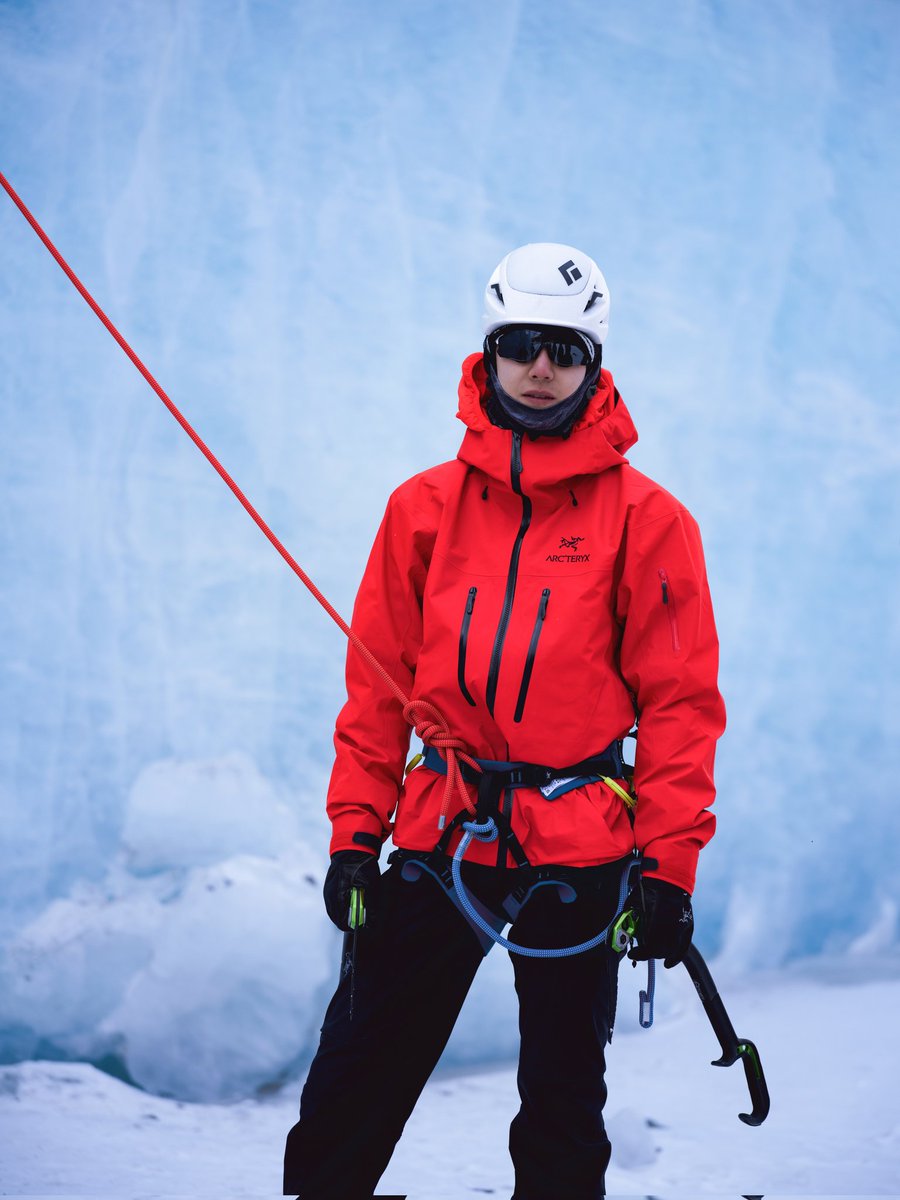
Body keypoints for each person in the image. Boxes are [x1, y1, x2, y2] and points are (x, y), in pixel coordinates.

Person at [283, 242, 726, 1199]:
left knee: (564, 1099)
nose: (540, 367)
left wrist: (666, 868)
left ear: (594, 365)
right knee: (358, 1072)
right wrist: (357, 836)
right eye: (520, 343)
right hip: (443, 831)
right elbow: (374, 695)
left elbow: (682, 710)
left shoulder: (651, 523)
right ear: (486, 353)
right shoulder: (422, 511)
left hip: (580, 846)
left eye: (563, 348)